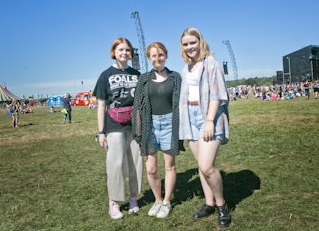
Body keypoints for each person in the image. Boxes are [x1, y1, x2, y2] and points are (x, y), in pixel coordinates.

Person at [179, 27, 231, 228]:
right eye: (185, 44)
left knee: (206, 166)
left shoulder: (211, 64)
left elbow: (218, 94)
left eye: (193, 42)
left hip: (208, 116)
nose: (190, 47)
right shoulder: (186, 69)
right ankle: (209, 204)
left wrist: (209, 120)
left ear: (200, 42)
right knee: (201, 165)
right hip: (190, 119)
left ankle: (222, 205)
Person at [92, 37, 143, 220]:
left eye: (127, 50)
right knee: (115, 164)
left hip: (134, 124)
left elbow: (141, 102)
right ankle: (113, 202)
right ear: (114, 52)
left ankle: (133, 198)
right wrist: (101, 132)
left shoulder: (137, 75)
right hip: (113, 125)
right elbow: (101, 105)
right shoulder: (105, 75)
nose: (124, 53)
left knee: (135, 162)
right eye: (120, 49)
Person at [132, 42, 182, 218]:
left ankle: (167, 202)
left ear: (166, 55)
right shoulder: (143, 79)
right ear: (149, 58)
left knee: (169, 166)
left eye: (160, 54)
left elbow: (181, 104)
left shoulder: (176, 77)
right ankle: (158, 200)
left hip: (170, 123)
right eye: (154, 55)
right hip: (149, 125)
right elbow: (137, 106)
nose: (157, 58)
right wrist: (137, 131)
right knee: (151, 169)